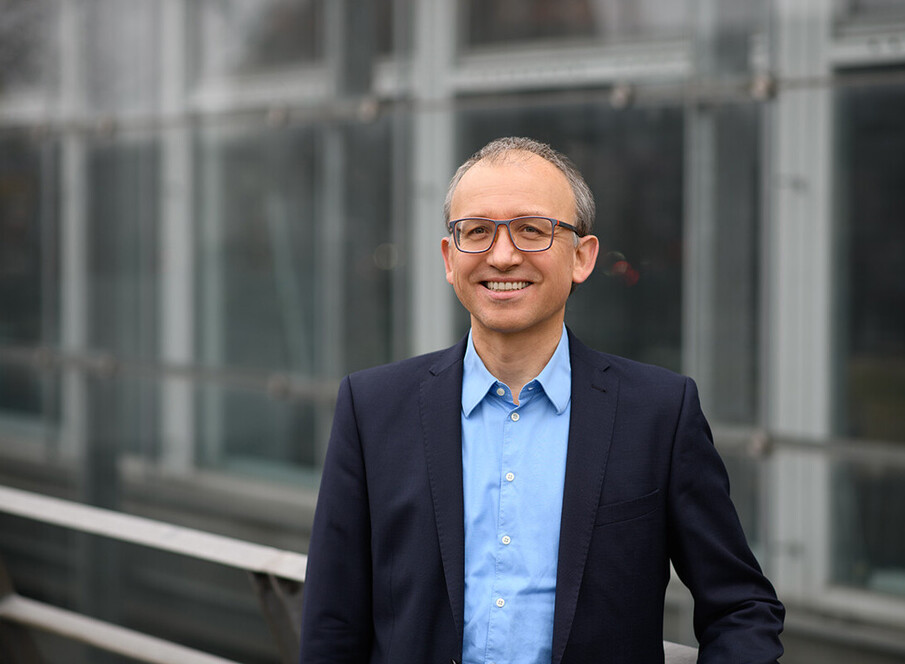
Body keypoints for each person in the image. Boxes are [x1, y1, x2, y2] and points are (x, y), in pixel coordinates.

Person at [299, 136, 784, 664]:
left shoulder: (659, 414)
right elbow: (333, 622)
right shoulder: (371, 409)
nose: (502, 256)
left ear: (582, 256)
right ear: (448, 257)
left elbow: (741, 607)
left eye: (532, 231)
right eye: (476, 232)